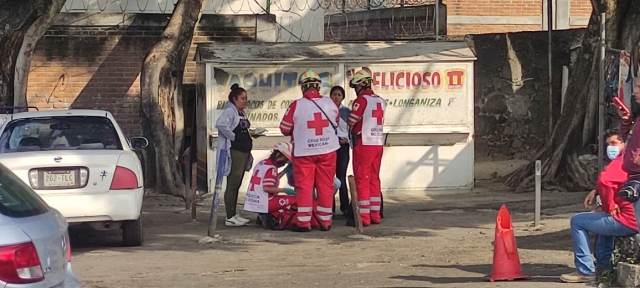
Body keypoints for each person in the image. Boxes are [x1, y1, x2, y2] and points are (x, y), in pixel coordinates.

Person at [560, 132, 639, 283]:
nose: (611, 147)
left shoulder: (621, 160)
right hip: (633, 218)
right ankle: (604, 267)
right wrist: (597, 193)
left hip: (626, 220)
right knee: (602, 222)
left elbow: (605, 181)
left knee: (577, 221)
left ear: (625, 144)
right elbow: (615, 183)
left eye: (615, 143)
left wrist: (609, 206)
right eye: (609, 144)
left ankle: (586, 270)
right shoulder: (633, 163)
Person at [279, 70, 340, 232]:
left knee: (304, 186)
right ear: (318, 87)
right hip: (328, 150)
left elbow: (284, 129)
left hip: (304, 152)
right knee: (326, 185)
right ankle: (325, 222)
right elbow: (336, 121)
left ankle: (304, 222)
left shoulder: (296, 105)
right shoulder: (330, 103)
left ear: (303, 87)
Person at [215, 84, 260, 227]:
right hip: (235, 152)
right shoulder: (230, 111)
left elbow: (243, 129)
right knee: (233, 183)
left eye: (246, 98)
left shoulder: (241, 113)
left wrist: (251, 134)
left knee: (238, 182)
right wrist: (234, 137)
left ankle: (234, 213)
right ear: (234, 99)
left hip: (244, 151)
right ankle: (229, 216)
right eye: (242, 99)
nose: (245, 101)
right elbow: (221, 125)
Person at [346, 69, 386, 227]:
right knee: (374, 179)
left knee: (362, 179)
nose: (355, 89)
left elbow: (351, 121)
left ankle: (363, 217)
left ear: (361, 84)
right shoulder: (381, 101)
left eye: (355, 86)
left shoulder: (362, 100)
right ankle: (375, 215)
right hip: (377, 143)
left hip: (364, 143)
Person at [242, 142, 297, 228]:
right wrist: (285, 190)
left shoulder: (263, 163)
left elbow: (272, 179)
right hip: (266, 202)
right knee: (296, 199)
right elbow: (267, 188)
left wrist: (285, 171)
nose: (285, 163)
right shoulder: (271, 169)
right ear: (279, 155)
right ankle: (268, 215)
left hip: (255, 201)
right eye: (285, 160)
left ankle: (264, 215)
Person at [330, 85, 352, 215]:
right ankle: (329, 207)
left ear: (342, 97)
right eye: (334, 94)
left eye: (339, 95)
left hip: (343, 147)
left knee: (341, 176)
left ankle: (344, 207)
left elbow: (352, 130)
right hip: (330, 147)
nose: (336, 97)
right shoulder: (326, 111)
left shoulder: (346, 112)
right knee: (329, 178)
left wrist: (347, 140)